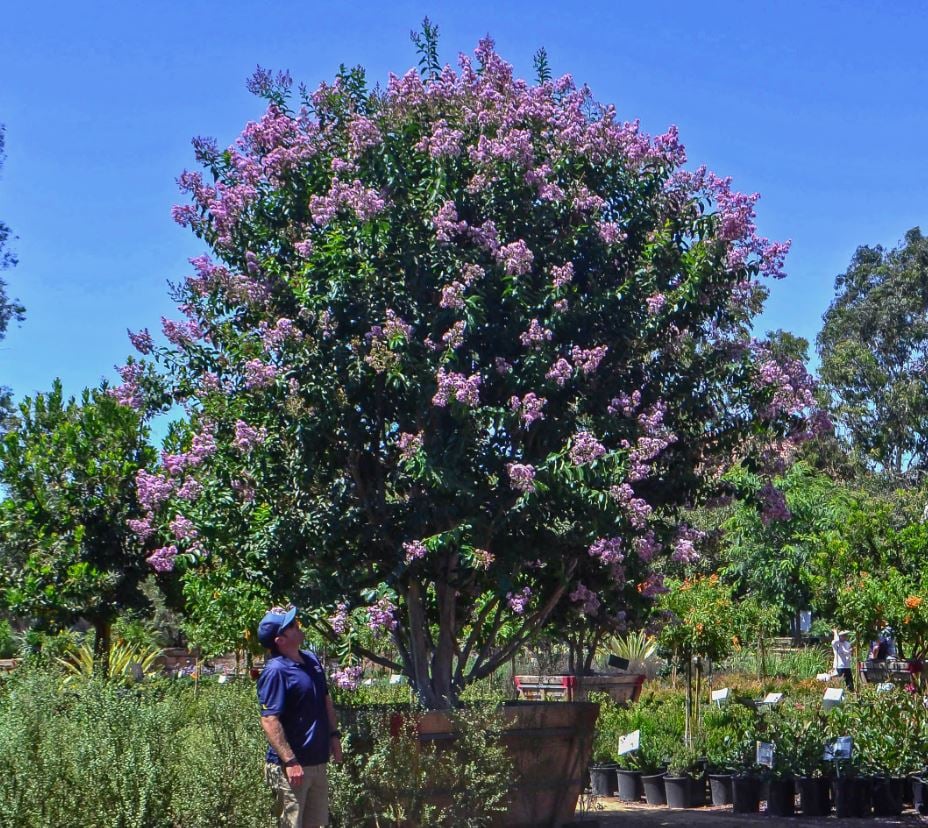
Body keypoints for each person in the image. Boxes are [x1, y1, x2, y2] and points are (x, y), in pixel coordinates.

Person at [257, 606, 342, 828]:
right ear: (280, 640)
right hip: (292, 769)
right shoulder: (276, 671)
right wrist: (290, 761)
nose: (298, 626)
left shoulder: (311, 660)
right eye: (292, 626)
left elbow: (326, 700)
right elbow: (269, 719)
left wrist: (334, 737)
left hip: (317, 762)